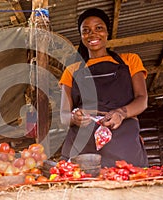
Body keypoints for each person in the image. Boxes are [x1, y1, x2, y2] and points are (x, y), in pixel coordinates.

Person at [59, 8, 149, 168]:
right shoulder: (71, 71)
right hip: (83, 148)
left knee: (129, 185)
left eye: (98, 28)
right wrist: (75, 118)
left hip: (123, 144)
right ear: (81, 36)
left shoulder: (130, 61)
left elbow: (142, 100)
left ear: (107, 32)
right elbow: (63, 115)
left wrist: (121, 113)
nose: (92, 34)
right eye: (86, 31)